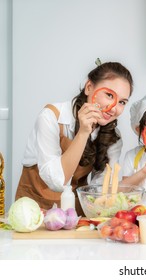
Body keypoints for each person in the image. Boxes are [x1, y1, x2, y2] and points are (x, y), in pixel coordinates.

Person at [15, 61, 134, 215]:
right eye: (109, 95)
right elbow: (57, 181)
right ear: (89, 87)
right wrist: (83, 133)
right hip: (34, 209)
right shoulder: (51, 117)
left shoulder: (113, 137)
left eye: (122, 102)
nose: (114, 108)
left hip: (75, 213)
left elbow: (102, 188)